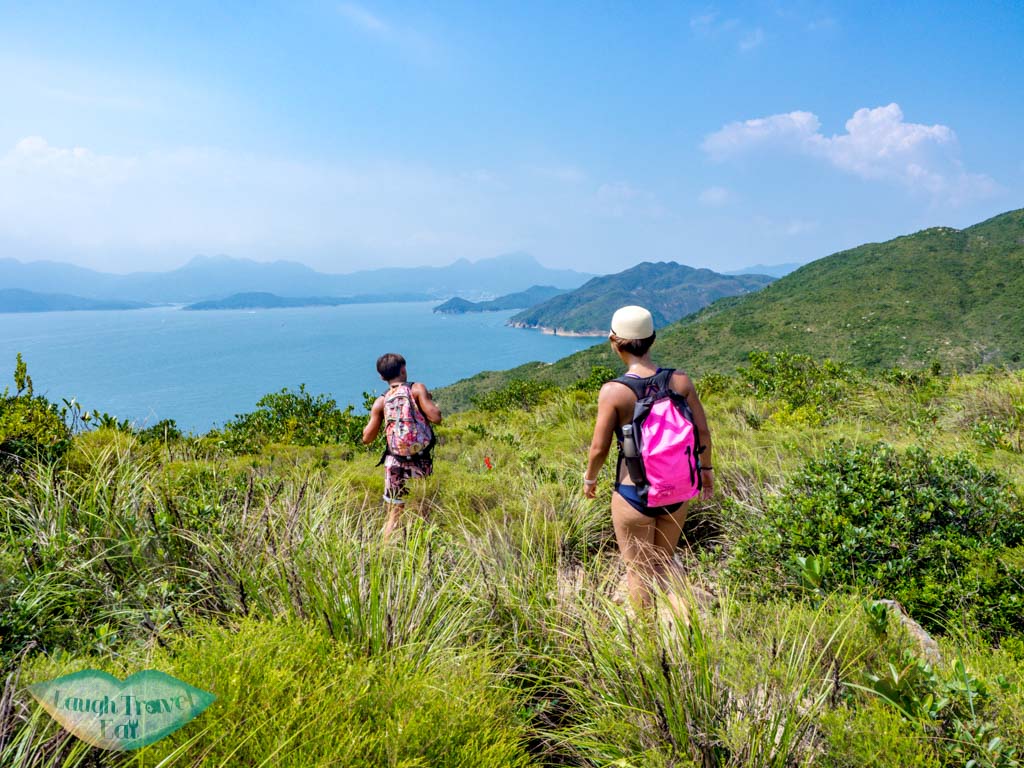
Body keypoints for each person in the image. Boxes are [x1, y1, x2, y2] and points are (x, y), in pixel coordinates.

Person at [583, 306, 714, 609]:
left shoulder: (614, 392)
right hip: (679, 490)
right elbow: (702, 432)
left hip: (633, 494)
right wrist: (705, 471)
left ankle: (647, 645)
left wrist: (590, 479)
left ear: (615, 342)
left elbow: (599, 448)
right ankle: (684, 634)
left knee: (638, 572)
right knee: (665, 564)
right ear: (653, 338)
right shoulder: (680, 381)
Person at [362, 353, 443, 539]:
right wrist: (427, 400)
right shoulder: (416, 389)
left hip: (394, 462)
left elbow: (367, 438)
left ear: (382, 377)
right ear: (403, 370)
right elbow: (436, 417)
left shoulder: (381, 402)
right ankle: (424, 550)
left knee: (394, 513)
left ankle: (385, 553)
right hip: (420, 460)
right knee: (423, 509)